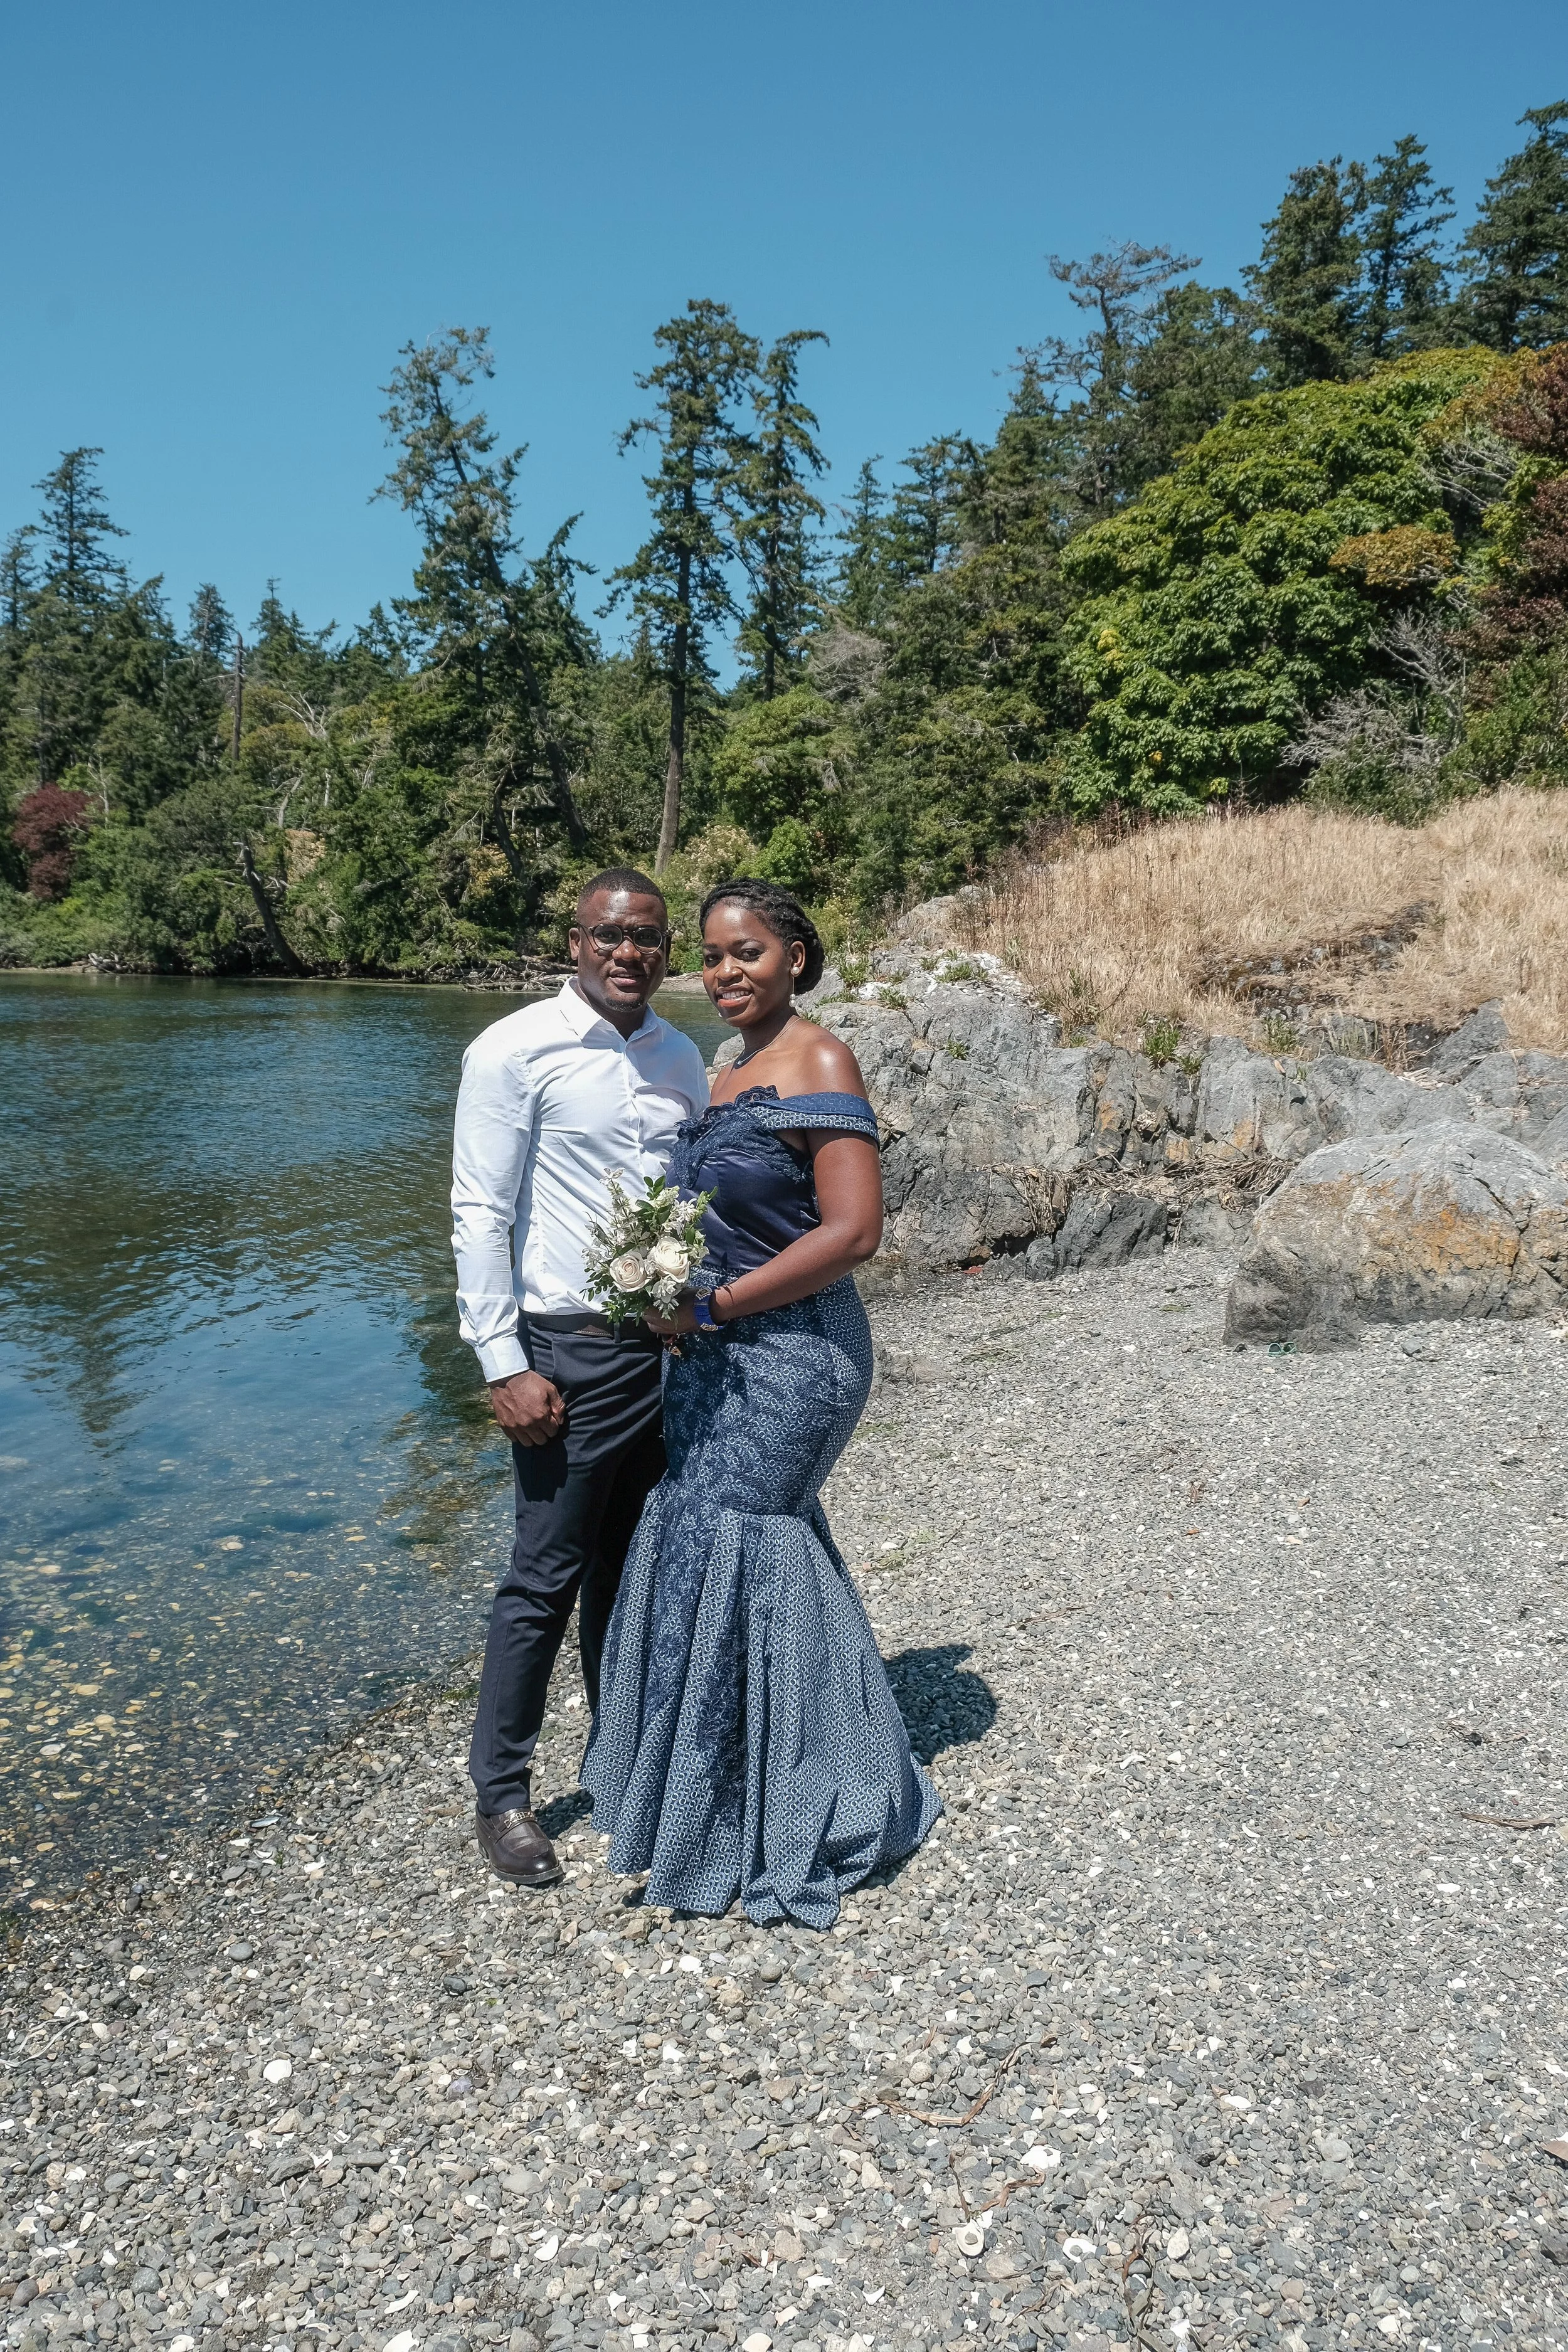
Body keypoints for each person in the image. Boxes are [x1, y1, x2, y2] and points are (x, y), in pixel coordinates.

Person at [582, 879, 940, 1927]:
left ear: (795, 954)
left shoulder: (821, 1059)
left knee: (744, 1535)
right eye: (711, 955)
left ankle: (776, 1802)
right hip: (708, 1355)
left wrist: (724, 1299)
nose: (724, 971)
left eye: (746, 952)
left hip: (794, 1355)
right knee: (711, 1534)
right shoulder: (727, 1071)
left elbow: (854, 1234)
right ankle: (730, 1781)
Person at [451, 869, 708, 1890]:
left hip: (665, 1349)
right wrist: (502, 1361)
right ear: (575, 941)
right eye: (610, 934)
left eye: (646, 937)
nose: (628, 953)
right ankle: (502, 1793)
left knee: (633, 1564)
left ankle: (621, 1758)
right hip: (565, 1344)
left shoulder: (680, 1055)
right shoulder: (514, 1049)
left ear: (663, 947)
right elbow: (482, 1210)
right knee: (544, 1573)